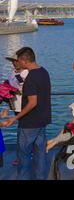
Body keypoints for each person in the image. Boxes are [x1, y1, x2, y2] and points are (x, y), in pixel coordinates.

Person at [4, 47, 52, 180]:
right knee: (40, 154)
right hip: (42, 120)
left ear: (25, 61)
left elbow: (32, 102)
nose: (17, 63)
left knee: (23, 156)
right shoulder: (44, 72)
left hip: (29, 123)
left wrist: (15, 119)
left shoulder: (30, 78)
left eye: (19, 61)